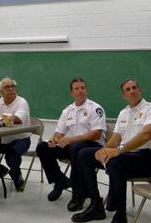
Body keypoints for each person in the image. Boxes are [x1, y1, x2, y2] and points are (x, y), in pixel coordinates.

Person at [71, 78, 151, 223]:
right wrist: (105, 150)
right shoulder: (123, 113)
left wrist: (119, 150)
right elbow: (116, 138)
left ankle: (120, 213)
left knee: (115, 162)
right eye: (127, 89)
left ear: (140, 90)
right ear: (123, 95)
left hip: (146, 159)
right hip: (125, 156)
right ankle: (96, 205)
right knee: (84, 155)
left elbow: (146, 135)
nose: (131, 91)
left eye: (134, 88)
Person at [36, 78, 106, 211]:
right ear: (71, 93)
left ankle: (78, 195)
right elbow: (59, 132)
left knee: (75, 147)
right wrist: (53, 140)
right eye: (77, 89)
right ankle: (60, 181)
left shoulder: (95, 108)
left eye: (83, 88)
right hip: (74, 145)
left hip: (92, 146)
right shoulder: (68, 110)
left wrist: (73, 139)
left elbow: (97, 134)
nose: (80, 91)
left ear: (86, 90)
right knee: (43, 147)